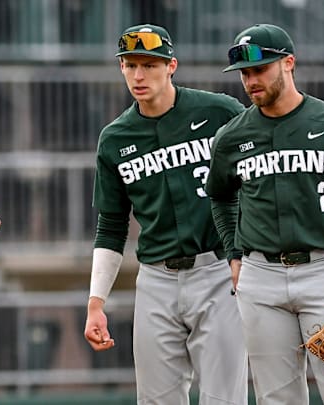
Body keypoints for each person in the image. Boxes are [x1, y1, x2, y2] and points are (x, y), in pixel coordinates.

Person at [206, 23, 324, 404]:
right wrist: (234, 255)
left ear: (288, 63)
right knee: (277, 398)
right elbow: (219, 197)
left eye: (259, 70)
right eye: (244, 74)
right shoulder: (231, 137)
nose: (250, 81)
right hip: (260, 278)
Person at [83, 23, 248, 404]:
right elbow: (111, 226)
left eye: (150, 65)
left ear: (171, 65)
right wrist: (96, 303)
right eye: (130, 65)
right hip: (156, 279)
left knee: (225, 398)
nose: (139, 75)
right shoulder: (115, 138)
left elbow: (261, 173)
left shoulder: (219, 111)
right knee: (156, 400)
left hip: (218, 272)